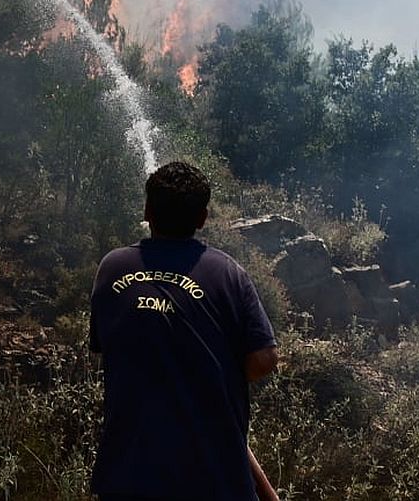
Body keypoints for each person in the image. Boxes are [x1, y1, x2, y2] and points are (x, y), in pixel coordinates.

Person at [89, 161, 280, 500]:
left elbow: (109, 343)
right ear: (202, 218)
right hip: (212, 482)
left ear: (147, 210)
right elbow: (264, 358)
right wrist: (216, 375)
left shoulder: (112, 268)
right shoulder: (226, 273)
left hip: (126, 479)